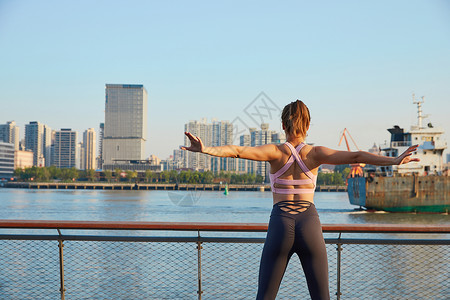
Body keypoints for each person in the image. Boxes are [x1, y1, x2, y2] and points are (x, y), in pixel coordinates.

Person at [181, 100, 419, 300]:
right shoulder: (316, 154)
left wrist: (205, 149)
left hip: (281, 223)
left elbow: (236, 151)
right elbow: (357, 155)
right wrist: (395, 161)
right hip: (309, 224)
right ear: (308, 125)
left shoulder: (275, 152)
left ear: (283, 124)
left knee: (264, 296)